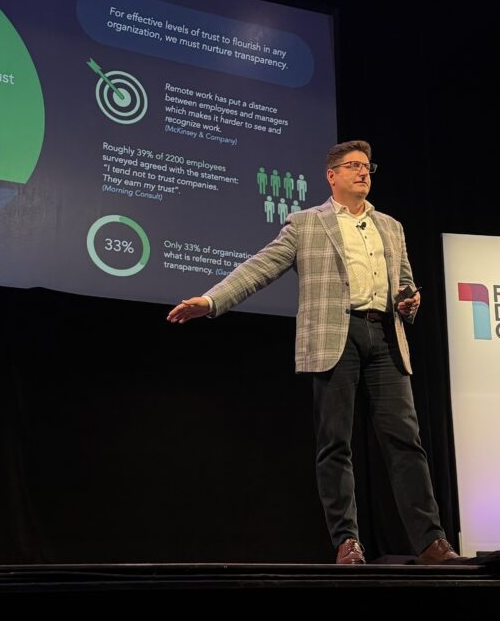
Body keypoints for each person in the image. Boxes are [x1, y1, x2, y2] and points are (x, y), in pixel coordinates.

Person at [167, 139, 459, 565]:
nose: (363, 172)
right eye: (354, 166)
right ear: (332, 176)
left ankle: (432, 542)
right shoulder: (307, 224)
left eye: (367, 166)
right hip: (334, 338)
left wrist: (410, 301)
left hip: (385, 340)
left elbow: (406, 284)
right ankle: (348, 542)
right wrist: (211, 301)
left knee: (405, 443)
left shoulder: (391, 227)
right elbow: (260, 266)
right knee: (335, 444)